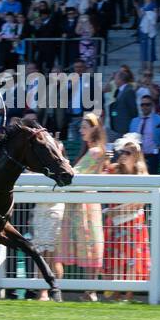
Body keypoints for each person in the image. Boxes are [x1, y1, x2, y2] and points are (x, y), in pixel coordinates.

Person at [57, 112, 107, 300]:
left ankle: (90, 290)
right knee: (87, 243)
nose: (81, 131)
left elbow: (76, 172)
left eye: (85, 127)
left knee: (90, 243)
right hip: (80, 202)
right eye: (81, 127)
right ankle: (89, 290)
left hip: (86, 203)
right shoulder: (90, 150)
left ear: (94, 129)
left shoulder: (95, 151)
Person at [102, 134, 150, 302]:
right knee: (116, 258)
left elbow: (142, 200)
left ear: (136, 155)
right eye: (121, 151)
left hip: (133, 223)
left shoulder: (142, 173)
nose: (123, 154)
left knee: (133, 259)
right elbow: (100, 175)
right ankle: (115, 294)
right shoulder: (114, 169)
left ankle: (129, 295)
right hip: (116, 224)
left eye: (127, 152)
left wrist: (117, 211)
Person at [128, 94, 160, 176]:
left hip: (153, 156)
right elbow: (130, 137)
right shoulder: (134, 121)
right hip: (137, 156)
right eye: (142, 105)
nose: (145, 107)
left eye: (147, 104)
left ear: (152, 105)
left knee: (151, 178)